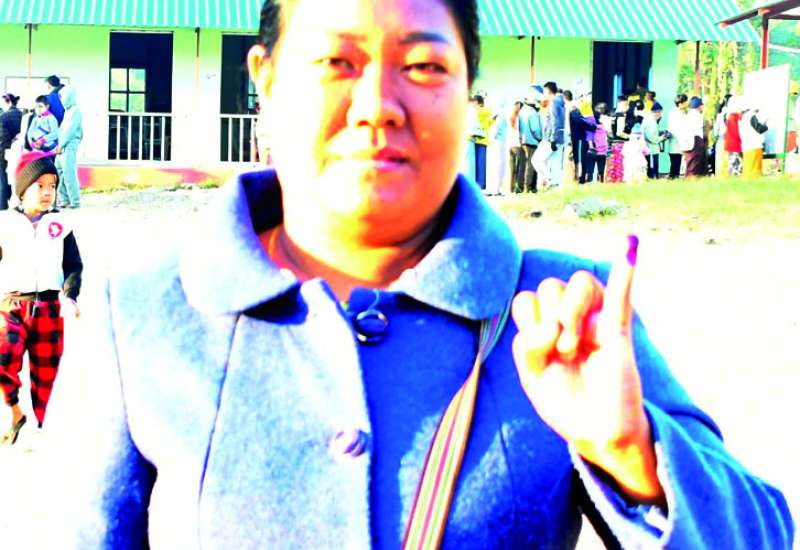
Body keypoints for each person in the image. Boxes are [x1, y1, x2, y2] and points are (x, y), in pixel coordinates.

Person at [37, 1, 794, 549]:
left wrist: (632, 453)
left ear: (469, 92)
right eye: (336, 62)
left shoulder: (566, 314)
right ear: (265, 79)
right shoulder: (141, 313)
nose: (377, 107)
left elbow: (762, 533)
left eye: (425, 67)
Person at [0, 151, 82, 445]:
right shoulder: (5, 224)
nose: (48, 192)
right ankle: (15, 412)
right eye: (40, 186)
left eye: (53, 186)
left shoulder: (60, 225)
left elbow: (73, 265)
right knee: (3, 358)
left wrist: (70, 296)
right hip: (12, 304)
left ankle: (43, 431)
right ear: (23, 190)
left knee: (47, 377)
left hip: (49, 308)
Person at [532, 81, 566, 189]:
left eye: (544, 91)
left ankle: (550, 179)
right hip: (559, 137)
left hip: (550, 138)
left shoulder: (553, 103)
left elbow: (555, 121)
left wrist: (552, 139)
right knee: (554, 163)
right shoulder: (561, 102)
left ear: (547, 91)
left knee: (536, 160)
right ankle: (555, 184)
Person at [55, 85, 83, 209]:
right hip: (62, 146)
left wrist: (60, 145)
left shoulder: (75, 110)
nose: (61, 99)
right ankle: (64, 200)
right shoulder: (68, 111)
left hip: (68, 146)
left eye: (63, 96)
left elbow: (70, 131)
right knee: (59, 173)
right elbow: (62, 129)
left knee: (69, 174)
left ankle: (75, 201)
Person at [0, 93, 23, 210]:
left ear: (7, 102)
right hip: (19, 150)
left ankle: (3, 205)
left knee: (3, 178)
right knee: (17, 177)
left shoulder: (3, 116)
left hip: (5, 150)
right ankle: (17, 202)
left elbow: (3, 137)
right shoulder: (22, 115)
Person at [518, 90, 543, 192]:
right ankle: (528, 187)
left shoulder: (521, 112)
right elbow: (535, 129)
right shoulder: (533, 113)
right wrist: (540, 138)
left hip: (523, 141)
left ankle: (520, 187)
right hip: (532, 142)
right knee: (531, 165)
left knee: (523, 165)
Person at [740, 106, 769, 178]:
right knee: (755, 173)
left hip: (746, 147)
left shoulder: (743, 117)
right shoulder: (751, 116)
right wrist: (765, 124)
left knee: (748, 173)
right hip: (754, 147)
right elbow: (759, 129)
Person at [586, 102, 609, 183]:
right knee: (601, 173)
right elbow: (608, 135)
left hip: (593, 151)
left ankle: (590, 181)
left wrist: (590, 147)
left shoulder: (590, 123)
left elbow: (589, 136)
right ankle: (601, 183)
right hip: (603, 151)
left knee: (590, 173)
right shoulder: (606, 122)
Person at [683, 97, 707, 177]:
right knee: (695, 164)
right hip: (696, 140)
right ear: (699, 106)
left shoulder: (687, 114)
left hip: (688, 142)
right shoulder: (697, 115)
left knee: (690, 162)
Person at [667, 94, 689, 179]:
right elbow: (675, 129)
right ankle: (672, 179)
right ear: (680, 103)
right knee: (675, 165)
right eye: (685, 102)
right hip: (675, 144)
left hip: (680, 144)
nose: (687, 103)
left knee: (677, 165)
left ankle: (673, 179)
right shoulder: (675, 114)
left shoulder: (682, 113)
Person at [642, 102, 665, 179]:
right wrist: (663, 137)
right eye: (658, 112)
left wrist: (660, 133)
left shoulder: (650, 119)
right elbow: (652, 138)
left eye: (660, 112)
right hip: (651, 149)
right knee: (652, 170)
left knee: (652, 168)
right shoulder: (651, 121)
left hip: (650, 148)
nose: (660, 114)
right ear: (653, 112)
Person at [724, 96, 744, 177]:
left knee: (733, 164)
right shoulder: (734, 116)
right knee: (736, 166)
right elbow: (736, 132)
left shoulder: (730, 116)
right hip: (735, 145)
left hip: (731, 144)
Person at [507, 101, 525, 193]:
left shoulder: (510, 117)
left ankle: (511, 187)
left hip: (510, 145)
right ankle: (518, 187)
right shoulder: (519, 117)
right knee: (521, 165)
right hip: (517, 144)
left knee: (512, 167)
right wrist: (522, 142)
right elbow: (519, 132)